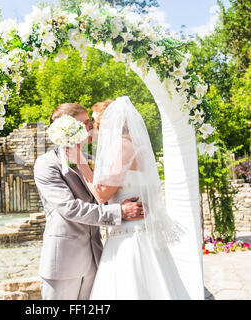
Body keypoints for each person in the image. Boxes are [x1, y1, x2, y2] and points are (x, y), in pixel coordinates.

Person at [66, 97, 190, 299]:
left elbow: (101, 195)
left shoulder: (120, 147)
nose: (90, 129)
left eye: (93, 123)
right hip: (135, 228)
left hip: (130, 235)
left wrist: (80, 163)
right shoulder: (131, 145)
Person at [33, 102, 144, 300]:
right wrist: (120, 212)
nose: (91, 126)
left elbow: (103, 195)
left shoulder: (91, 159)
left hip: (97, 258)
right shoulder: (47, 164)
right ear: (68, 128)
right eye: (85, 123)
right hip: (64, 262)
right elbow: (70, 208)